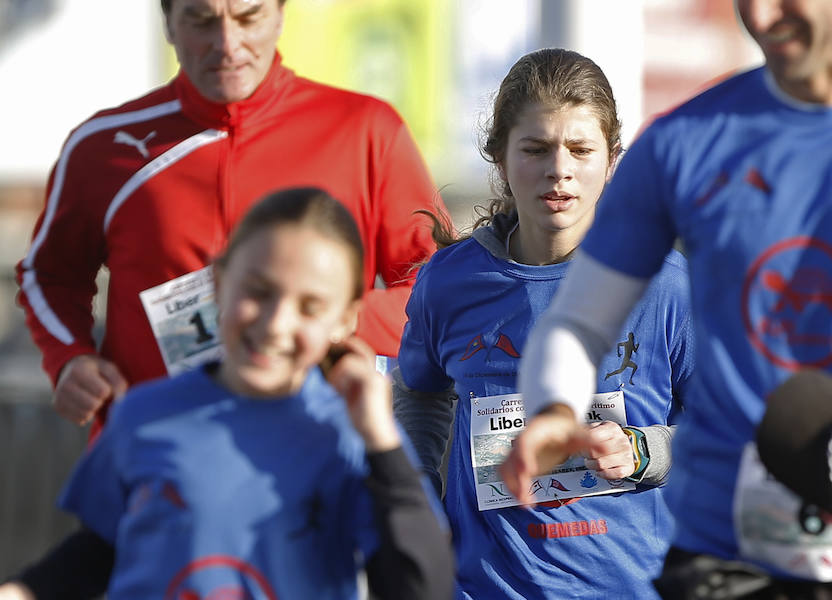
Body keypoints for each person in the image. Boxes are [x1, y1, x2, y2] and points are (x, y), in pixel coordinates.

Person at [503, 0, 832, 596]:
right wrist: (557, 407)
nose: (762, 18)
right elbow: (578, 323)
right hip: (725, 565)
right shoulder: (680, 144)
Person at [15, 0, 448, 438]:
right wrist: (71, 358)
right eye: (202, 21)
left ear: (280, 15)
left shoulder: (368, 130)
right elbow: (49, 274)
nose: (227, 44)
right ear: (167, 22)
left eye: (249, 17)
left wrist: (326, 315)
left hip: (316, 456)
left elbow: (444, 294)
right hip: (152, 458)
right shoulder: (103, 147)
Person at [0, 187, 454, 600]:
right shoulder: (144, 415)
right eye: (258, 292)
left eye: (310, 307)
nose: (276, 324)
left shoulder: (352, 437)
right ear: (218, 283)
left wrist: (381, 442)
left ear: (345, 320)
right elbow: (100, 551)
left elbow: (421, 587)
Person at [394, 48, 694, 599]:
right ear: (500, 158)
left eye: (581, 149)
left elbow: (728, 431)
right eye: (535, 149)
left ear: (611, 160)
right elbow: (419, 392)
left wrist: (645, 451)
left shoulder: (666, 283)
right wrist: (421, 505)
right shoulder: (449, 283)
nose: (560, 170)